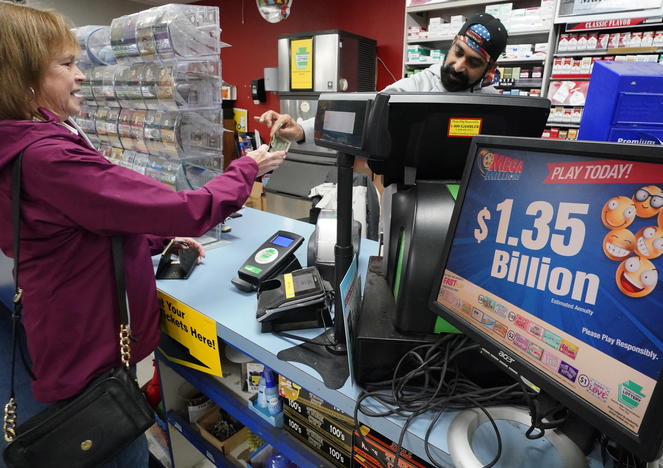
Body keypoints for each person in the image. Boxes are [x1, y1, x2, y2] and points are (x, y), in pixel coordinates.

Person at [0, 2, 285, 466]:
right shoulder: (49, 159)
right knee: (111, 437)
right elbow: (186, 209)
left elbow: (84, 223)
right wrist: (245, 169)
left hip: (62, 325)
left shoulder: (21, 144)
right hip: (89, 346)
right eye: (68, 65)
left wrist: (154, 241)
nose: (82, 77)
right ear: (25, 76)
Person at [255, 13, 508, 146]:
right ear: (452, 44)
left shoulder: (499, 108)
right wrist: (301, 130)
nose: (458, 66)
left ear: (489, 68)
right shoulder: (416, 87)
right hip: (413, 198)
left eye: (473, 62)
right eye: (458, 53)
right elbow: (362, 113)